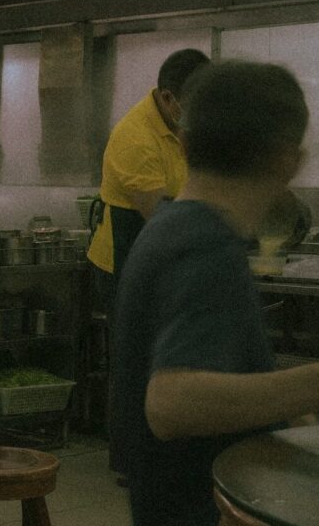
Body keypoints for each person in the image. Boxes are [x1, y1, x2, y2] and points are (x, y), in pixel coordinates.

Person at [111, 60, 319, 526]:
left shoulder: (169, 227)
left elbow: (215, 365)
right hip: (205, 508)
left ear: (182, 144)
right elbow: (172, 404)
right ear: (289, 161)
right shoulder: (204, 245)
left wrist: (292, 412)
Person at [84, 47, 209, 474]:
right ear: (169, 97)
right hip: (124, 262)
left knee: (166, 360)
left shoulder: (182, 129)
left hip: (161, 259)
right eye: (194, 103)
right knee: (134, 362)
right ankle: (129, 460)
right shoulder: (135, 136)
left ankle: (163, 453)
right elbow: (159, 214)